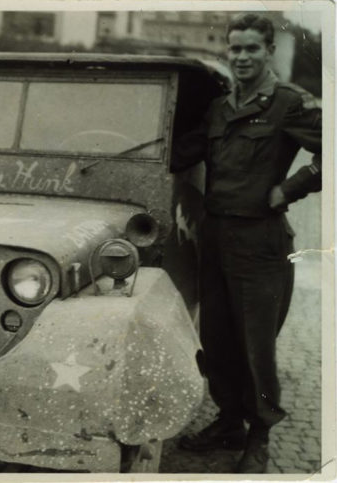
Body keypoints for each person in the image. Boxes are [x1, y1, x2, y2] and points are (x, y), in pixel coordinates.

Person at [171, 13, 321, 473]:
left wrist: (290, 188)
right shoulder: (220, 108)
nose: (240, 57)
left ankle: (260, 437)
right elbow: (184, 151)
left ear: (269, 51)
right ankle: (229, 420)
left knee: (255, 346)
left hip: (260, 241)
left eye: (251, 48)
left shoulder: (289, 104)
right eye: (234, 48)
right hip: (215, 236)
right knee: (215, 340)